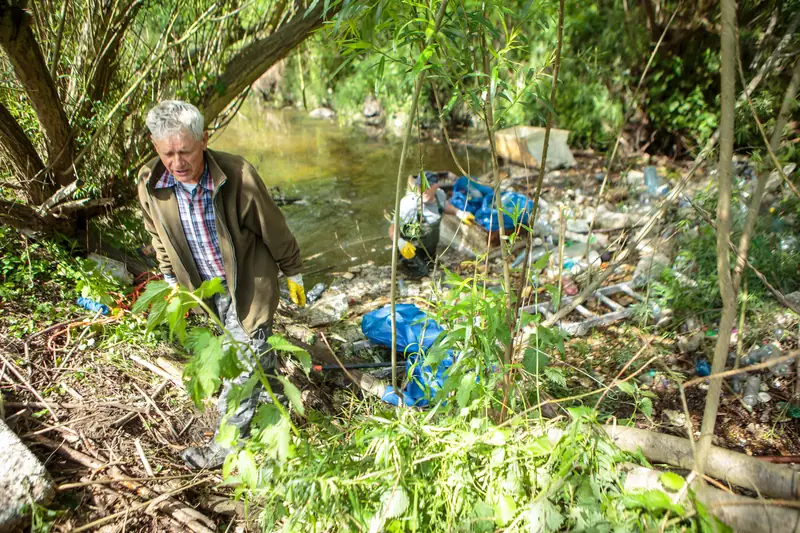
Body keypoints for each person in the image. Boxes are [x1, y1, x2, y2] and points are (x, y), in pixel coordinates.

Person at [137, 100, 305, 469]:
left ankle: (225, 447)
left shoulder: (237, 174)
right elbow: (157, 235)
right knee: (254, 353)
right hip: (204, 289)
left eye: (186, 151)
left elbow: (272, 227)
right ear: (155, 146)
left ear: (204, 140)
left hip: (248, 283)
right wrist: (169, 277)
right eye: (168, 153)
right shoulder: (150, 185)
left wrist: (293, 271)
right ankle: (276, 403)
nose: (177, 162)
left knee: (243, 365)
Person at [388, 171, 475, 279]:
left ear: (436, 186)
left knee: (433, 267)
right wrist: (400, 242)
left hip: (430, 251)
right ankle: (405, 272)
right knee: (421, 274)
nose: (423, 191)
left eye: (427, 187)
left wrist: (458, 212)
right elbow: (392, 229)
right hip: (411, 253)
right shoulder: (408, 204)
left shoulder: (439, 195)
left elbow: (444, 206)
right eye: (420, 187)